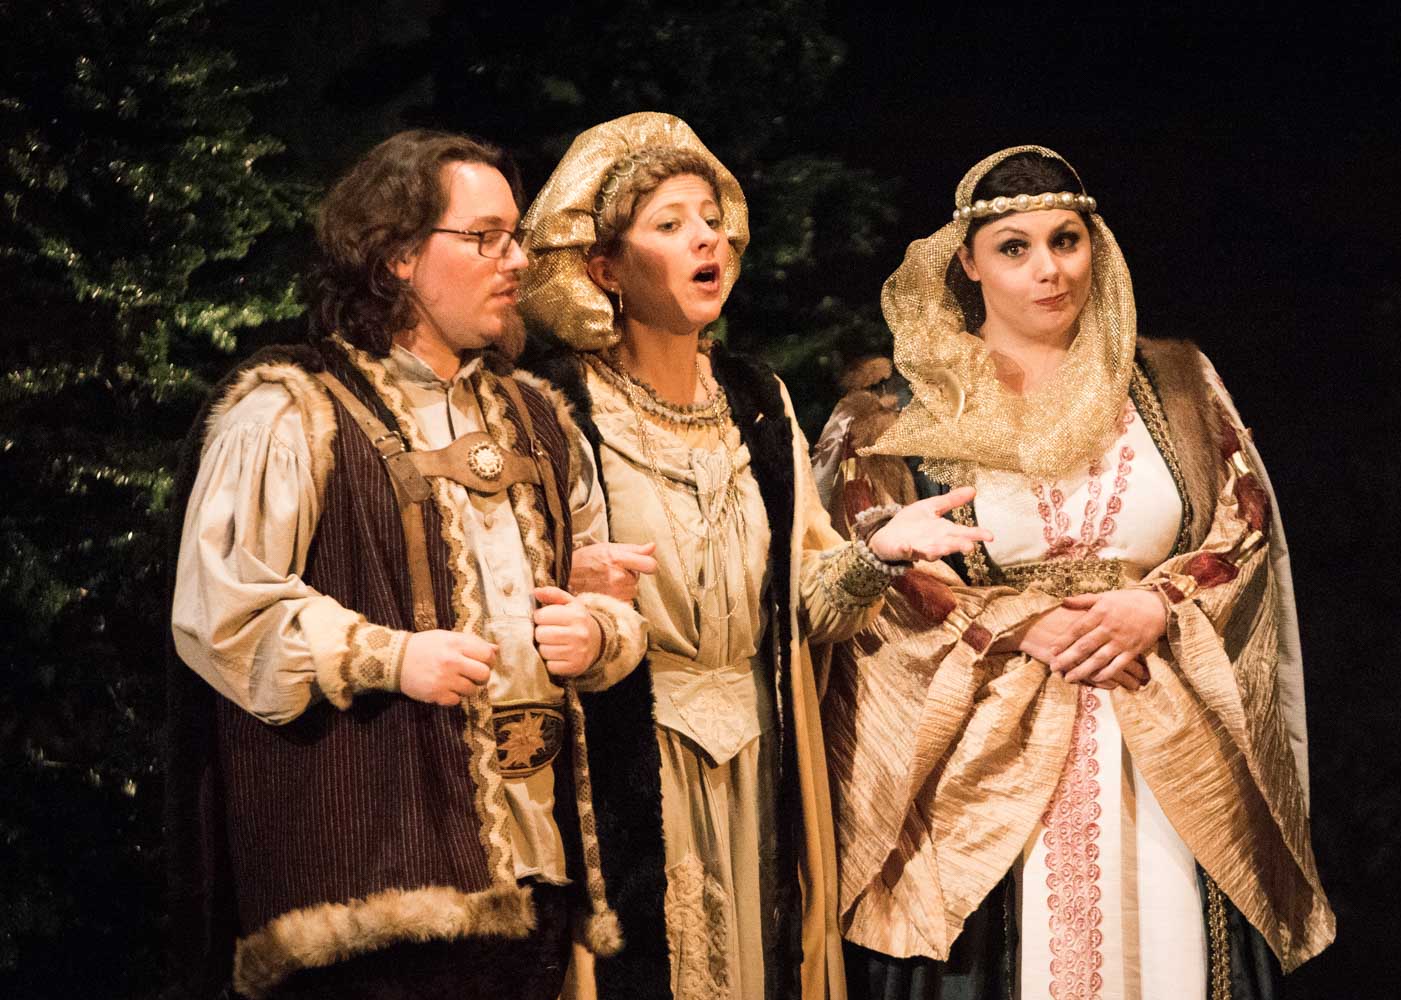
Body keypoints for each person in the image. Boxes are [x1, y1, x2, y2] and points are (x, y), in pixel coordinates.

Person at [816, 145, 1335, 999]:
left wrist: (1159, 603)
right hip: (985, 764)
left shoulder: (1174, 386)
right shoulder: (896, 417)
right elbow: (882, 576)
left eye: (1067, 240)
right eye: (1014, 247)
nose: (1049, 269)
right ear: (968, 265)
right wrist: (1020, 622)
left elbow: (1242, 527)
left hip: (1164, 732)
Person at [515, 112, 990, 1000]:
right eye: (669, 224)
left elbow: (805, 603)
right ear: (603, 269)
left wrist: (875, 555)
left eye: (710, 218)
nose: (706, 238)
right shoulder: (554, 406)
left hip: (762, 750)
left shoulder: (757, 399)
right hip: (630, 751)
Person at [165, 129, 649, 1000]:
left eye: (519, 239)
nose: (516, 263)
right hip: (374, 891)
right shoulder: (290, 411)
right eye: (486, 238)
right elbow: (221, 610)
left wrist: (602, 629)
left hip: (536, 875)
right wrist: (386, 655)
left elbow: (594, 583)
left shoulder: (538, 419)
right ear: (394, 255)